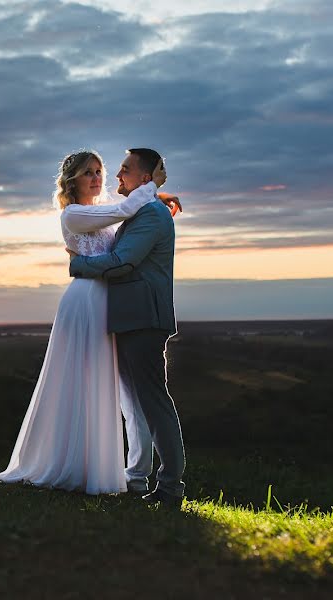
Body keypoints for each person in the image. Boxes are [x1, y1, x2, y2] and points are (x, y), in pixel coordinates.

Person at [0, 149, 172, 494]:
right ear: (72, 180)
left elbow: (126, 213)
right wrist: (152, 186)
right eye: (88, 173)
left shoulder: (97, 213)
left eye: (100, 171)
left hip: (108, 303)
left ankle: (127, 472)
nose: (98, 178)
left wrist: (154, 198)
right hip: (84, 301)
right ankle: (66, 462)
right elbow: (125, 209)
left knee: (120, 391)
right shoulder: (75, 215)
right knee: (78, 382)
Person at [68, 148, 186, 509]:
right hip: (128, 318)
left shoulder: (150, 215)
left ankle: (169, 488)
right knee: (137, 402)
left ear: (144, 178)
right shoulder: (147, 209)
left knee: (152, 401)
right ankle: (142, 478)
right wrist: (158, 192)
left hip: (143, 320)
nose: (117, 176)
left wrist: (78, 267)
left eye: (125, 170)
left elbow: (122, 262)